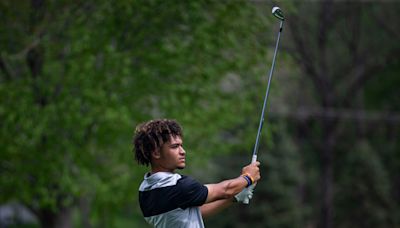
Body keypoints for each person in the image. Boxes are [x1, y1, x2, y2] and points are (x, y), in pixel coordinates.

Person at [133, 119, 261, 228]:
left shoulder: (144, 190)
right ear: (156, 153)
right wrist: (248, 177)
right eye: (174, 147)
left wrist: (235, 197)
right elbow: (225, 190)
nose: (183, 151)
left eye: (181, 145)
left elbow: (194, 212)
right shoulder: (179, 186)